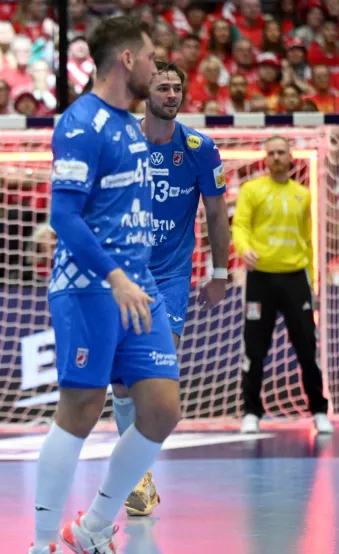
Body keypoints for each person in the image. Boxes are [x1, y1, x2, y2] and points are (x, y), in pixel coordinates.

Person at [27, 17, 180, 554]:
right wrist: (114, 277)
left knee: (162, 409)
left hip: (139, 289)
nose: (157, 66)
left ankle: (92, 527)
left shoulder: (130, 125)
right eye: (150, 56)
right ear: (126, 61)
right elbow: (63, 217)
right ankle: (43, 544)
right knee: (82, 408)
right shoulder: (81, 124)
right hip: (90, 288)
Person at [108, 60, 232, 517]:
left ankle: (136, 468)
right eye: (163, 87)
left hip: (171, 276)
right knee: (121, 385)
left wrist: (220, 273)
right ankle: (138, 473)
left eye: (177, 88)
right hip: (123, 275)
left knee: (156, 374)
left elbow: (216, 213)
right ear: (147, 94)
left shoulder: (199, 147)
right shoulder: (121, 142)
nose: (172, 94)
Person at [232, 135, 332, 435]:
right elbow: (240, 225)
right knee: (254, 348)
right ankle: (251, 411)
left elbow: (308, 240)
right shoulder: (252, 190)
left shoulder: (302, 194)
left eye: (281, 152)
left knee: (307, 348)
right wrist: (242, 248)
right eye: (271, 152)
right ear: (265, 157)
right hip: (261, 278)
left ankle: (318, 411)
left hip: (295, 278)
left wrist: (311, 284)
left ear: (290, 158)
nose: (276, 157)